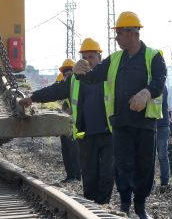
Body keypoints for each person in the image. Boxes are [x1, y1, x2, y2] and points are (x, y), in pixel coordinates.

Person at [73, 12, 166, 219]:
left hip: (144, 123)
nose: (116, 38)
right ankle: (125, 206)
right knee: (123, 164)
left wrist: (146, 93)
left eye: (120, 33)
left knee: (144, 165)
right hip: (121, 122)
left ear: (133, 33)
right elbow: (94, 76)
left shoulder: (153, 56)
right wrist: (80, 72)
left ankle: (141, 207)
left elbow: (159, 81)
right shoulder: (115, 59)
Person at [20, 38, 115, 205]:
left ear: (100, 57)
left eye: (91, 57)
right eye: (84, 57)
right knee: (89, 174)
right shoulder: (75, 80)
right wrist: (33, 97)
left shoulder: (109, 76)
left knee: (108, 172)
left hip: (108, 132)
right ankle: (93, 205)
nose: (88, 61)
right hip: (86, 134)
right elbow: (55, 90)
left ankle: (102, 205)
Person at [56, 59, 81, 183]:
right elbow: (65, 106)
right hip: (68, 127)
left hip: (78, 128)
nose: (66, 76)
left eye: (68, 74)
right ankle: (71, 175)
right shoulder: (67, 87)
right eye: (65, 75)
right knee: (66, 149)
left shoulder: (80, 85)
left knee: (74, 150)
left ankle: (76, 176)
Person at [155, 85, 171, 190]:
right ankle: (162, 181)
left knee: (162, 156)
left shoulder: (160, 86)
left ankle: (164, 182)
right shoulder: (161, 85)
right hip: (158, 124)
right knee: (161, 156)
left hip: (161, 125)